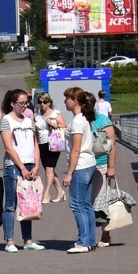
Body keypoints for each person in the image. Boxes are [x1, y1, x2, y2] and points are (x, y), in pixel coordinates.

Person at [0, 89, 45, 252]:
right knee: (11, 204)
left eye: (26, 103)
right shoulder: (6, 121)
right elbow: (9, 148)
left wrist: (37, 165)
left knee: (28, 204)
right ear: (12, 104)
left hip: (30, 165)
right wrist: (22, 168)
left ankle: (28, 240)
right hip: (14, 167)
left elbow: (36, 144)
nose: (25, 106)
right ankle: (9, 241)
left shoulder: (29, 121)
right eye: (21, 103)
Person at [62, 87, 98, 253]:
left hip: (81, 165)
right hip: (89, 163)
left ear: (74, 101)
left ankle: (83, 242)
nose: (65, 102)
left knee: (77, 204)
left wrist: (69, 172)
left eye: (67, 99)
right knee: (85, 204)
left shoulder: (77, 120)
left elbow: (76, 149)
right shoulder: (84, 118)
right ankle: (90, 240)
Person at [86, 93, 119, 247]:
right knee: (88, 202)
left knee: (102, 201)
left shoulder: (102, 120)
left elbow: (111, 145)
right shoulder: (80, 120)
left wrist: (111, 167)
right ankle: (88, 236)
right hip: (84, 165)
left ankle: (106, 234)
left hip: (101, 165)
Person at [35, 93, 67, 203]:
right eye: (40, 102)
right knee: (49, 170)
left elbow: (64, 126)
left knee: (49, 169)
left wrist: (54, 124)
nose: (42, 104)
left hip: (53, 143)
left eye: (44, 102)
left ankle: (46, 194)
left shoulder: (55, 113)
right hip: (41, 144)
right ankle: (60, 191)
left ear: (49, 102)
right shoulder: (38, 115)